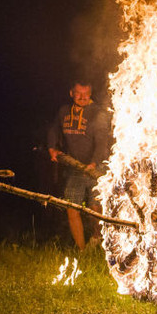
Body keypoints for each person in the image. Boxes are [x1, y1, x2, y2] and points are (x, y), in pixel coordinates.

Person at [47, 81, 110, 250]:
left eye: (86, 94)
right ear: (71, 93)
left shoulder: (98, 114)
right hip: (74, 166)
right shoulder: (64, 111)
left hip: (96, 167)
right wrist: (52, 147)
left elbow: (102, 141)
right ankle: (81, 250)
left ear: (90, 94)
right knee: (72, 206)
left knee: (94, 207)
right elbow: (54, 128)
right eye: (78, 93)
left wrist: (94, 162)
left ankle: (97, 237)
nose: (82, 97)